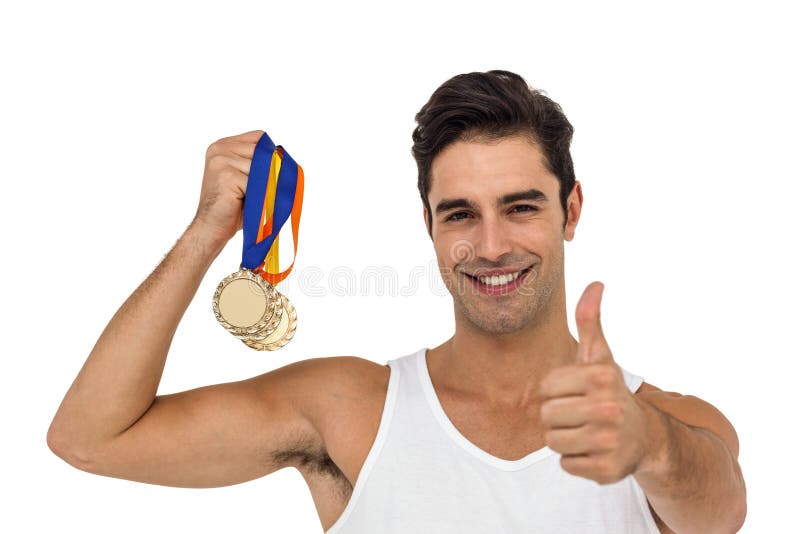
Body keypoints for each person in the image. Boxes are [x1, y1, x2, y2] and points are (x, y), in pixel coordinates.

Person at [47, 70, 747, 533]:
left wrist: (649, 443)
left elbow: (723, 511)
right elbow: (89, 439)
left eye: (521, 207)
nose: (493, 243)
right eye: (461, 214)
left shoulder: (669, 424)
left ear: (572, 210)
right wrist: (207, 232)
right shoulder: (350, 409)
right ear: (430, 228)